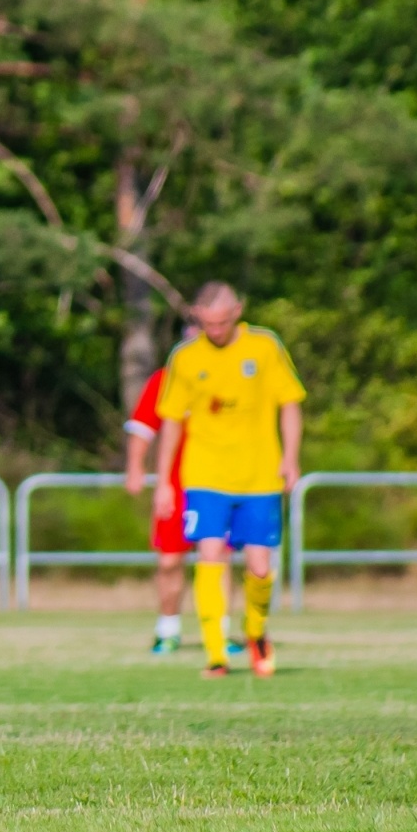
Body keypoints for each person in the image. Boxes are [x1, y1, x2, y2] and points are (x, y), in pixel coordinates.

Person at [154, 282, 305, 678]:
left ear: (238, 310)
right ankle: (216, 654)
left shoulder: (264, 347)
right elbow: (170, 421)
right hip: (205, 474)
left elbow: (289, 404)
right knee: (210, 557)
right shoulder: (185, 357)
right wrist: (163, 481)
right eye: (207, 324)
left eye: (221, 322)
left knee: (258, 568)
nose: (215, 331)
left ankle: (256, 633)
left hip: (259, 475)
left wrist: (290, 458)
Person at [124, 330, 245, 656]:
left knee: (219, 558)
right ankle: (168, 629)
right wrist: (136, 467)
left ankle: (219, 631)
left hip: (220, 483)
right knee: (169, 560)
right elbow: (142, 427)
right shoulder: (165, 379)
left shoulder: (231, 375)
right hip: (176, 486)